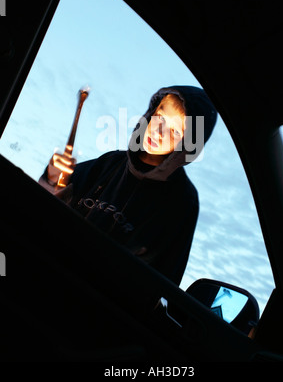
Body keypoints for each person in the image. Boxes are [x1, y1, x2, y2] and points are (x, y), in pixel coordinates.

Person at [39, 85, 217, 285]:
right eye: (160, 117)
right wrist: (51, 179)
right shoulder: (110, 163)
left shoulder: (183, 202)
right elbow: (44, 212)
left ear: (188, 144)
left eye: (175, 131)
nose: (158, 131)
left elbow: (162, 283)